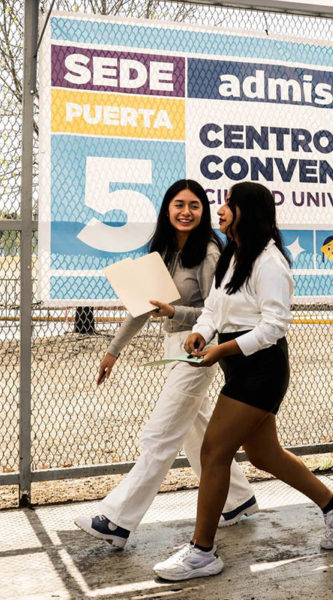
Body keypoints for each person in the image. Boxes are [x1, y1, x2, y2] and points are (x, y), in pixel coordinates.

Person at [152, 182, 333, 582]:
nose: (222, 208)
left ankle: (202, 553)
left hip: (262, 369)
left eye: (230, 203)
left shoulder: (270, 263)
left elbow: (273, 327)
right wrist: (203, 333)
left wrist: (220, 351)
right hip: (238, 363)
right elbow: (214, 306)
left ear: (249, 211)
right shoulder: (234, 253)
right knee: (265, 455)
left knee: (214, 452)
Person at [74, 180, 257, 548]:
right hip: (174, 346)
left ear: (203, 211)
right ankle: (238, 501)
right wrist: (113, 350)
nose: (186, 212)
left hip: (199, 347)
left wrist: (175, 311)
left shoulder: (208, 253)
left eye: (194, 205)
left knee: (161, 433)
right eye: (179, 204)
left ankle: (117, 520)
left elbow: (216, 311)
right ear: (167, 208)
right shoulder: (164, 251)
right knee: (194, 431)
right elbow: (142, 307)